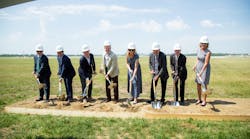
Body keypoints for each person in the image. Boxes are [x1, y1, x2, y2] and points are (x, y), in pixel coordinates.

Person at [193, 36, 212, 106]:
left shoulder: (208, 52)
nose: (203, 44)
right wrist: (195, 66)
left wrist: (201, 73)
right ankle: (199, 99)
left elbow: (206, 63)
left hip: (205, 69)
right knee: (198, 84)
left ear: (207, 44)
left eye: (205, 43)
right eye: (202, 43)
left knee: (204, 85)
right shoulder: (198, 50)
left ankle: (204, 101)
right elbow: (198, 59)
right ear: (200, 43)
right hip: (198, 68)